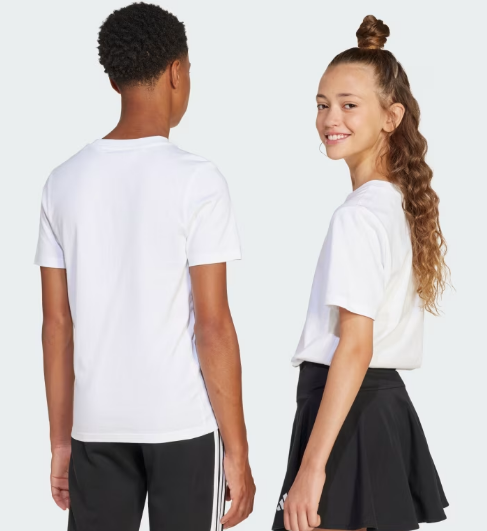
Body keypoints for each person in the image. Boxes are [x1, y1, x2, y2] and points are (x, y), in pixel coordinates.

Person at [34, 3, 255, 530]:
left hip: (96, 426)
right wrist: (238, 450)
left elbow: (56, 325)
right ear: (177, 72)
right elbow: (213, 325)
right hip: (181, 424)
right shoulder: (198, 180)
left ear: (113, 80)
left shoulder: (62, 181)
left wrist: (61, 442)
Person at [272, 15, 449, 531]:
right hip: (377, 409)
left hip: (347, 412)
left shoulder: (359, 215)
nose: (331, 118)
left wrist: (312, 468)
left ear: (391, 117)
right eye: (322, 104)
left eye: (349, 105)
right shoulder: (395, 204)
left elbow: (355, 345)